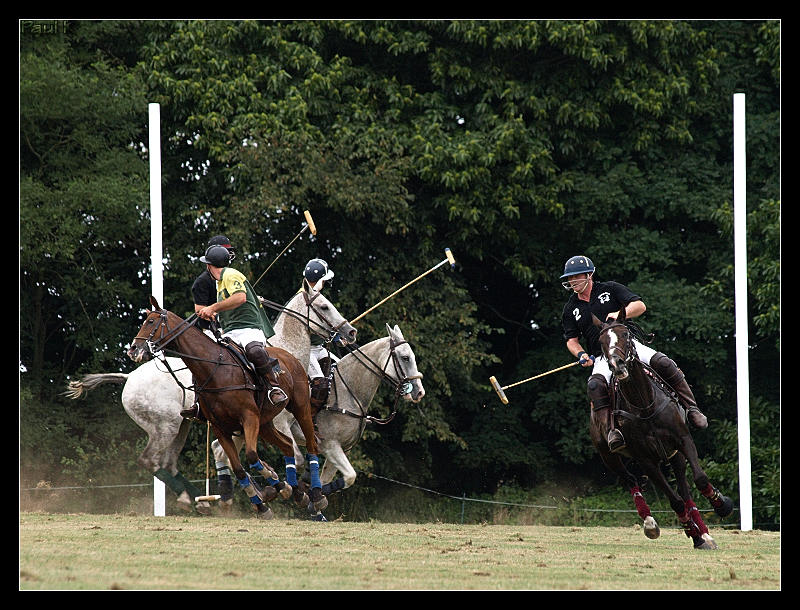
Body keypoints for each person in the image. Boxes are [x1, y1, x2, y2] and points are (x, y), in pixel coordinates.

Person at [559, 255, 708, 453]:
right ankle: (611, 430)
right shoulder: (571, 308)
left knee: (663, 362)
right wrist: (581, 355)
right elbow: (572, 340)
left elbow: (640, 305)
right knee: (594, 385)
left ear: (589, 275)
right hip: (602, 357)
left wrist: (621, 314)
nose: (572, 281)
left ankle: (692, 409)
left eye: (576, 277)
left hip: (629, 347)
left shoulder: (610, 289)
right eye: (570, 278)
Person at [196, 244, 287, 405]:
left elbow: (240, 298)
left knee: (254, 351)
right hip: (230, 332)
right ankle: (202, 401)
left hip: (249, 328)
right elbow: (229, 305)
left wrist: (212, 307)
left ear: (209, 266)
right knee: (210, 358)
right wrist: (214, 314)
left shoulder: (230, 274)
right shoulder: (219, 282)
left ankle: (274, 387)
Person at [301, 258, 341, 410]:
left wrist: (338, 337)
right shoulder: (304, 298)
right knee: (320, 384)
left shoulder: (317, 297)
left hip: (319, 348)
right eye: (324, 280)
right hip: (306, 349)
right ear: (319, 281)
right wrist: (336, 336)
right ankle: (309, 418)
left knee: (339, 371)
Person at [192, 235, 236, 338]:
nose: (228, 255)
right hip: (213, 331)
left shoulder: (232, 275)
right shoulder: (202, 282)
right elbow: (200, 311)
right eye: (226, 252)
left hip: (234, 326)